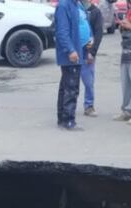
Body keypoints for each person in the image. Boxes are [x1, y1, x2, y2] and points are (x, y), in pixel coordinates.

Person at [54, 0, 92, 129]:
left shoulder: (77, 4)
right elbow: (62, 31)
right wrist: (70, 50)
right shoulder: (64, 5)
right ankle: (69, 121)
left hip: (78, 50)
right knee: (71, 88)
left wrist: (89, 37)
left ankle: (62, 118)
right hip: (71, 54)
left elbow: (83, 22)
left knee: (66, 86)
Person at [82, 0, 105, 117]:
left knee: (88, 81)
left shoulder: (95, 12)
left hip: (88, 51)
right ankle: (68, 106)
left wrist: (92, 52)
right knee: (71, 81)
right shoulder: (75, 10)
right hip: (75, 50)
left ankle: (89, 106)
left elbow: (98, 33)